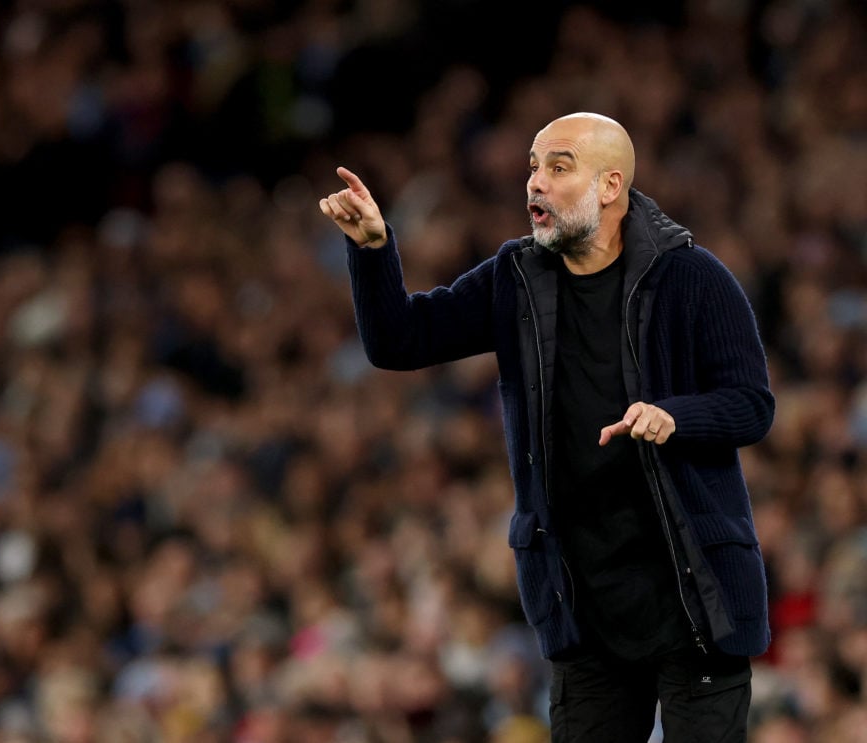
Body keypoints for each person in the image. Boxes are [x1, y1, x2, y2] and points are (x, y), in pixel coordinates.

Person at [318, 112, 775, 742]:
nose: (535, 182)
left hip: (697, 602)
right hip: (585, 609)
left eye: (558, 167)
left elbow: (753, 405)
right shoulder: (515, 278)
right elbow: (399, 340)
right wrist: (372, 249)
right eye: (533, 166)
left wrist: (677, 417)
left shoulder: (693, 278)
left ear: (609, 186)